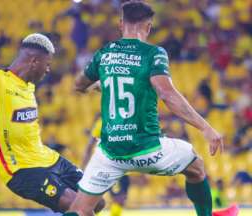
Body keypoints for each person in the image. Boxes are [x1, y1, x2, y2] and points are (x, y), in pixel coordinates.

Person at [64, 2, 238, 216]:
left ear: (121, 24)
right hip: (147, 149)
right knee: (196, 166)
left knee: (80, 209)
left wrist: (103, 84)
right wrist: (205, 128)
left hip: (110, 153)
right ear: (148, 27)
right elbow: (167, 94)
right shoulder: (153, 53)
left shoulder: (104, 53)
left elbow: (79, 84)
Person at [0, 29, 104, 213]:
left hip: (47, 158)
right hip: (23, 170)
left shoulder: (29, 87)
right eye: (47, 64)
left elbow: (7, 113)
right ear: (34, 61)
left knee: (97, 201)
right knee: (79, 207)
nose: (48, 69)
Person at [82, 117, 130, 216]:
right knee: (96, 200)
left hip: (123, 167)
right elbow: (90, 146)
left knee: (120, 199)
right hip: (107, 166)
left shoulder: (129, 120)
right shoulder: (101, 122)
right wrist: (84, 167)